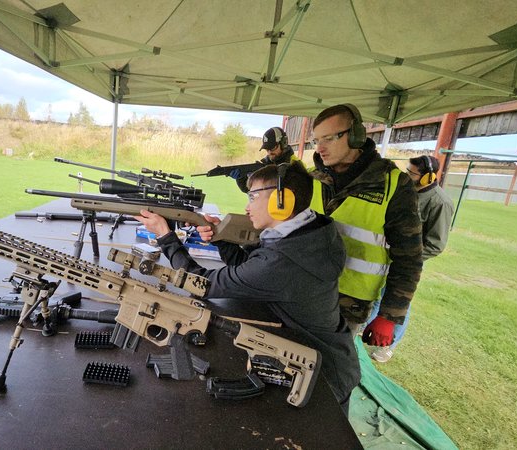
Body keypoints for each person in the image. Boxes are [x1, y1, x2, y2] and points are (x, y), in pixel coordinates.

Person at [136, 161, 360, 413]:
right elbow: (251, 267)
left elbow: (201, 284)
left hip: (322, 378)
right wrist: (221, 240)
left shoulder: (280, 262)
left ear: (282, 201)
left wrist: (165, 236)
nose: (247, 206)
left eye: (253, 197)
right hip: (325, 354)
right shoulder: (311, 233)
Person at [307, 104, 423, 350]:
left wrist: (389, 315)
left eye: (328, 138)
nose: (319, 148)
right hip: (300, 291)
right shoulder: (310, 177)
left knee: (330, 367)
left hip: (347, 307)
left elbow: (409, 257)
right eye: (316, 140)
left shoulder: (393, 185)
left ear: (356, 136)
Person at [368, 155, 455, 362]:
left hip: (406, 262)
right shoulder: (406, 192)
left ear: (427, 177)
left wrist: (406, 257)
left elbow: (436, 245)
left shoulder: (440, 202)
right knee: (380, 295)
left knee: (399, 300)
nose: (407, 175)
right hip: (386, 256)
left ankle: (388, 346)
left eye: (412, 173)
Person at [230, 127, 303, 193]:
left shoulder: (296, 165)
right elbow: (249, 189)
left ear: (283, 143)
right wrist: (241, 178)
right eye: (267, 149)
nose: (269, 152)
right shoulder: (265, 163)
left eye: (272, 148)